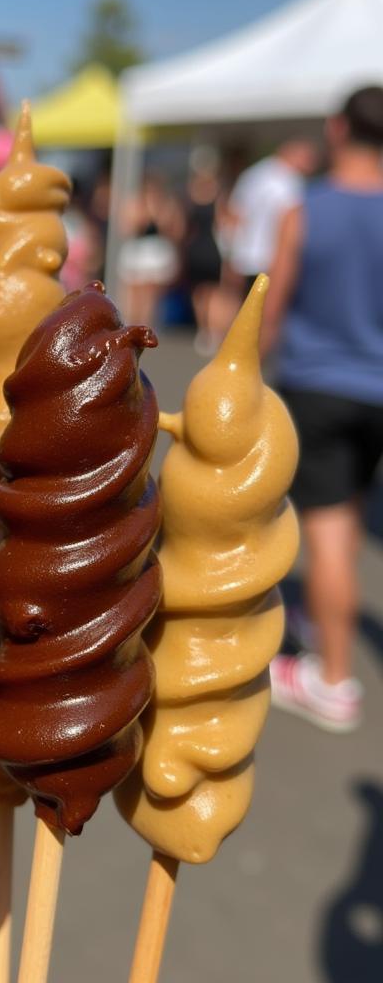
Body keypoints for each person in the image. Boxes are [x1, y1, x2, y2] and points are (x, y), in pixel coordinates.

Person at [263, 86, 383, 733]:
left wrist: (243, 371)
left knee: (329, 529)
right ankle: (325, 617)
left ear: (338, 129)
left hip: (318, 387)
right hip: (376, 391)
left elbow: (271, 306)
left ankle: (333, 680)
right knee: (349, 511)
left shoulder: (304, 210)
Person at [224, 137, 318, 297]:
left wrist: (232, 257)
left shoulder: (253, 174)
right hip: (273, 262)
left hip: (248, 261)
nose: (312, 163)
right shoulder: (290, 181)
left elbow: (233, 216)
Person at [117, 171, 183, 326]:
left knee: (150, 293)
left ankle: (146, 324)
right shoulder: (134, 203)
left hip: (156, 251)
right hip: (137, 249)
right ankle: (132, 323)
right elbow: (126, 227)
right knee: (133, 291)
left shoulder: (167, 204)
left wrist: (158, 212)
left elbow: (174, 229)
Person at [182, 146, 230, 354]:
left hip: (195, 247)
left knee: (199, 292)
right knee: (213, 291)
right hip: (211, 247)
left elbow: (182, 225)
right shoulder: (218, 193)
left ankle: (204, 330)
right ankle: (212, 331)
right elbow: (224, 222)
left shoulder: (191, 192)